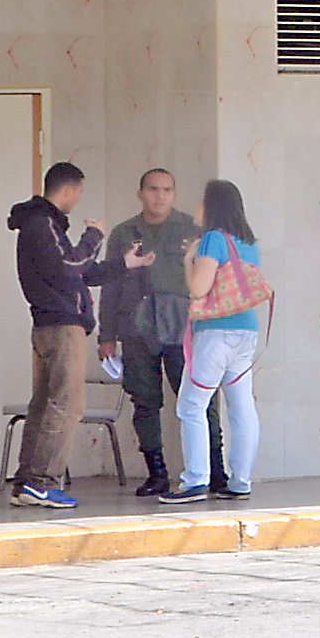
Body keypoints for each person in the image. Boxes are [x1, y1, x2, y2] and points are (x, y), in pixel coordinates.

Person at [9, 162, 153, 509]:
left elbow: (78, 274)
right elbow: (69, 267)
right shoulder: (42, 224)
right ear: (68, 190)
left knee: (45, 404)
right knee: (67, 405)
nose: (77, 201)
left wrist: (124, 265)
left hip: (51, 324)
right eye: (79, 193)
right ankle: (42, 482)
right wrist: (95, 236)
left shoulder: (41, 224)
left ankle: (28, 482)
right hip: (61, 327)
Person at [96, 168, 224, 497]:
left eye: (167, 189)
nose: (160, 195)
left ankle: (216, 470)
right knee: (145, 402)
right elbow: (110, 284)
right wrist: (106, 334)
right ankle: (156, 472)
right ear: (140, 193)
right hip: (137, 327)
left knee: (200, 399)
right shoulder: (125, 233)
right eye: (153, 189)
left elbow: (212, 278)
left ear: (174, 194)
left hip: (184, 327)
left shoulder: (191, 229)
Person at [159, 179, 265, 505]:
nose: (196, 208)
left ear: (213, 206)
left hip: (216, 333)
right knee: (242, 407)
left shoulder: (212, 240)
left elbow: (199, 290)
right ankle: (240, 481)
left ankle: (194, 480)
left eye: (201, 201)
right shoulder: (248, 243)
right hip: (245, 333)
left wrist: (188, 260)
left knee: (191, 406)